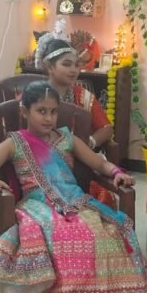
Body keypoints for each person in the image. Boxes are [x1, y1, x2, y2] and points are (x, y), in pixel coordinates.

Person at [0, 81, 147, 293]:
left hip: (75, 201)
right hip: (37, 206)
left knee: (103, 232)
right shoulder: (14, 142)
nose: (48, 118)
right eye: (41, 111)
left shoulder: (68, 139)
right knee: (63, 237)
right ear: (24, 111)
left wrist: (117, 173)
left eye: (53, 111)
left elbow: (98, 163)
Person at [36, 35, 116, 207]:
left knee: (103, 199)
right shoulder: (34, 95)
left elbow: (107, 128)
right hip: (41, 166)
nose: (74, 70)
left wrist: (89, 142)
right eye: (66, 64)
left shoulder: (83, 96)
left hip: (78, 166)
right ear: (49, 66)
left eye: (76, 65)